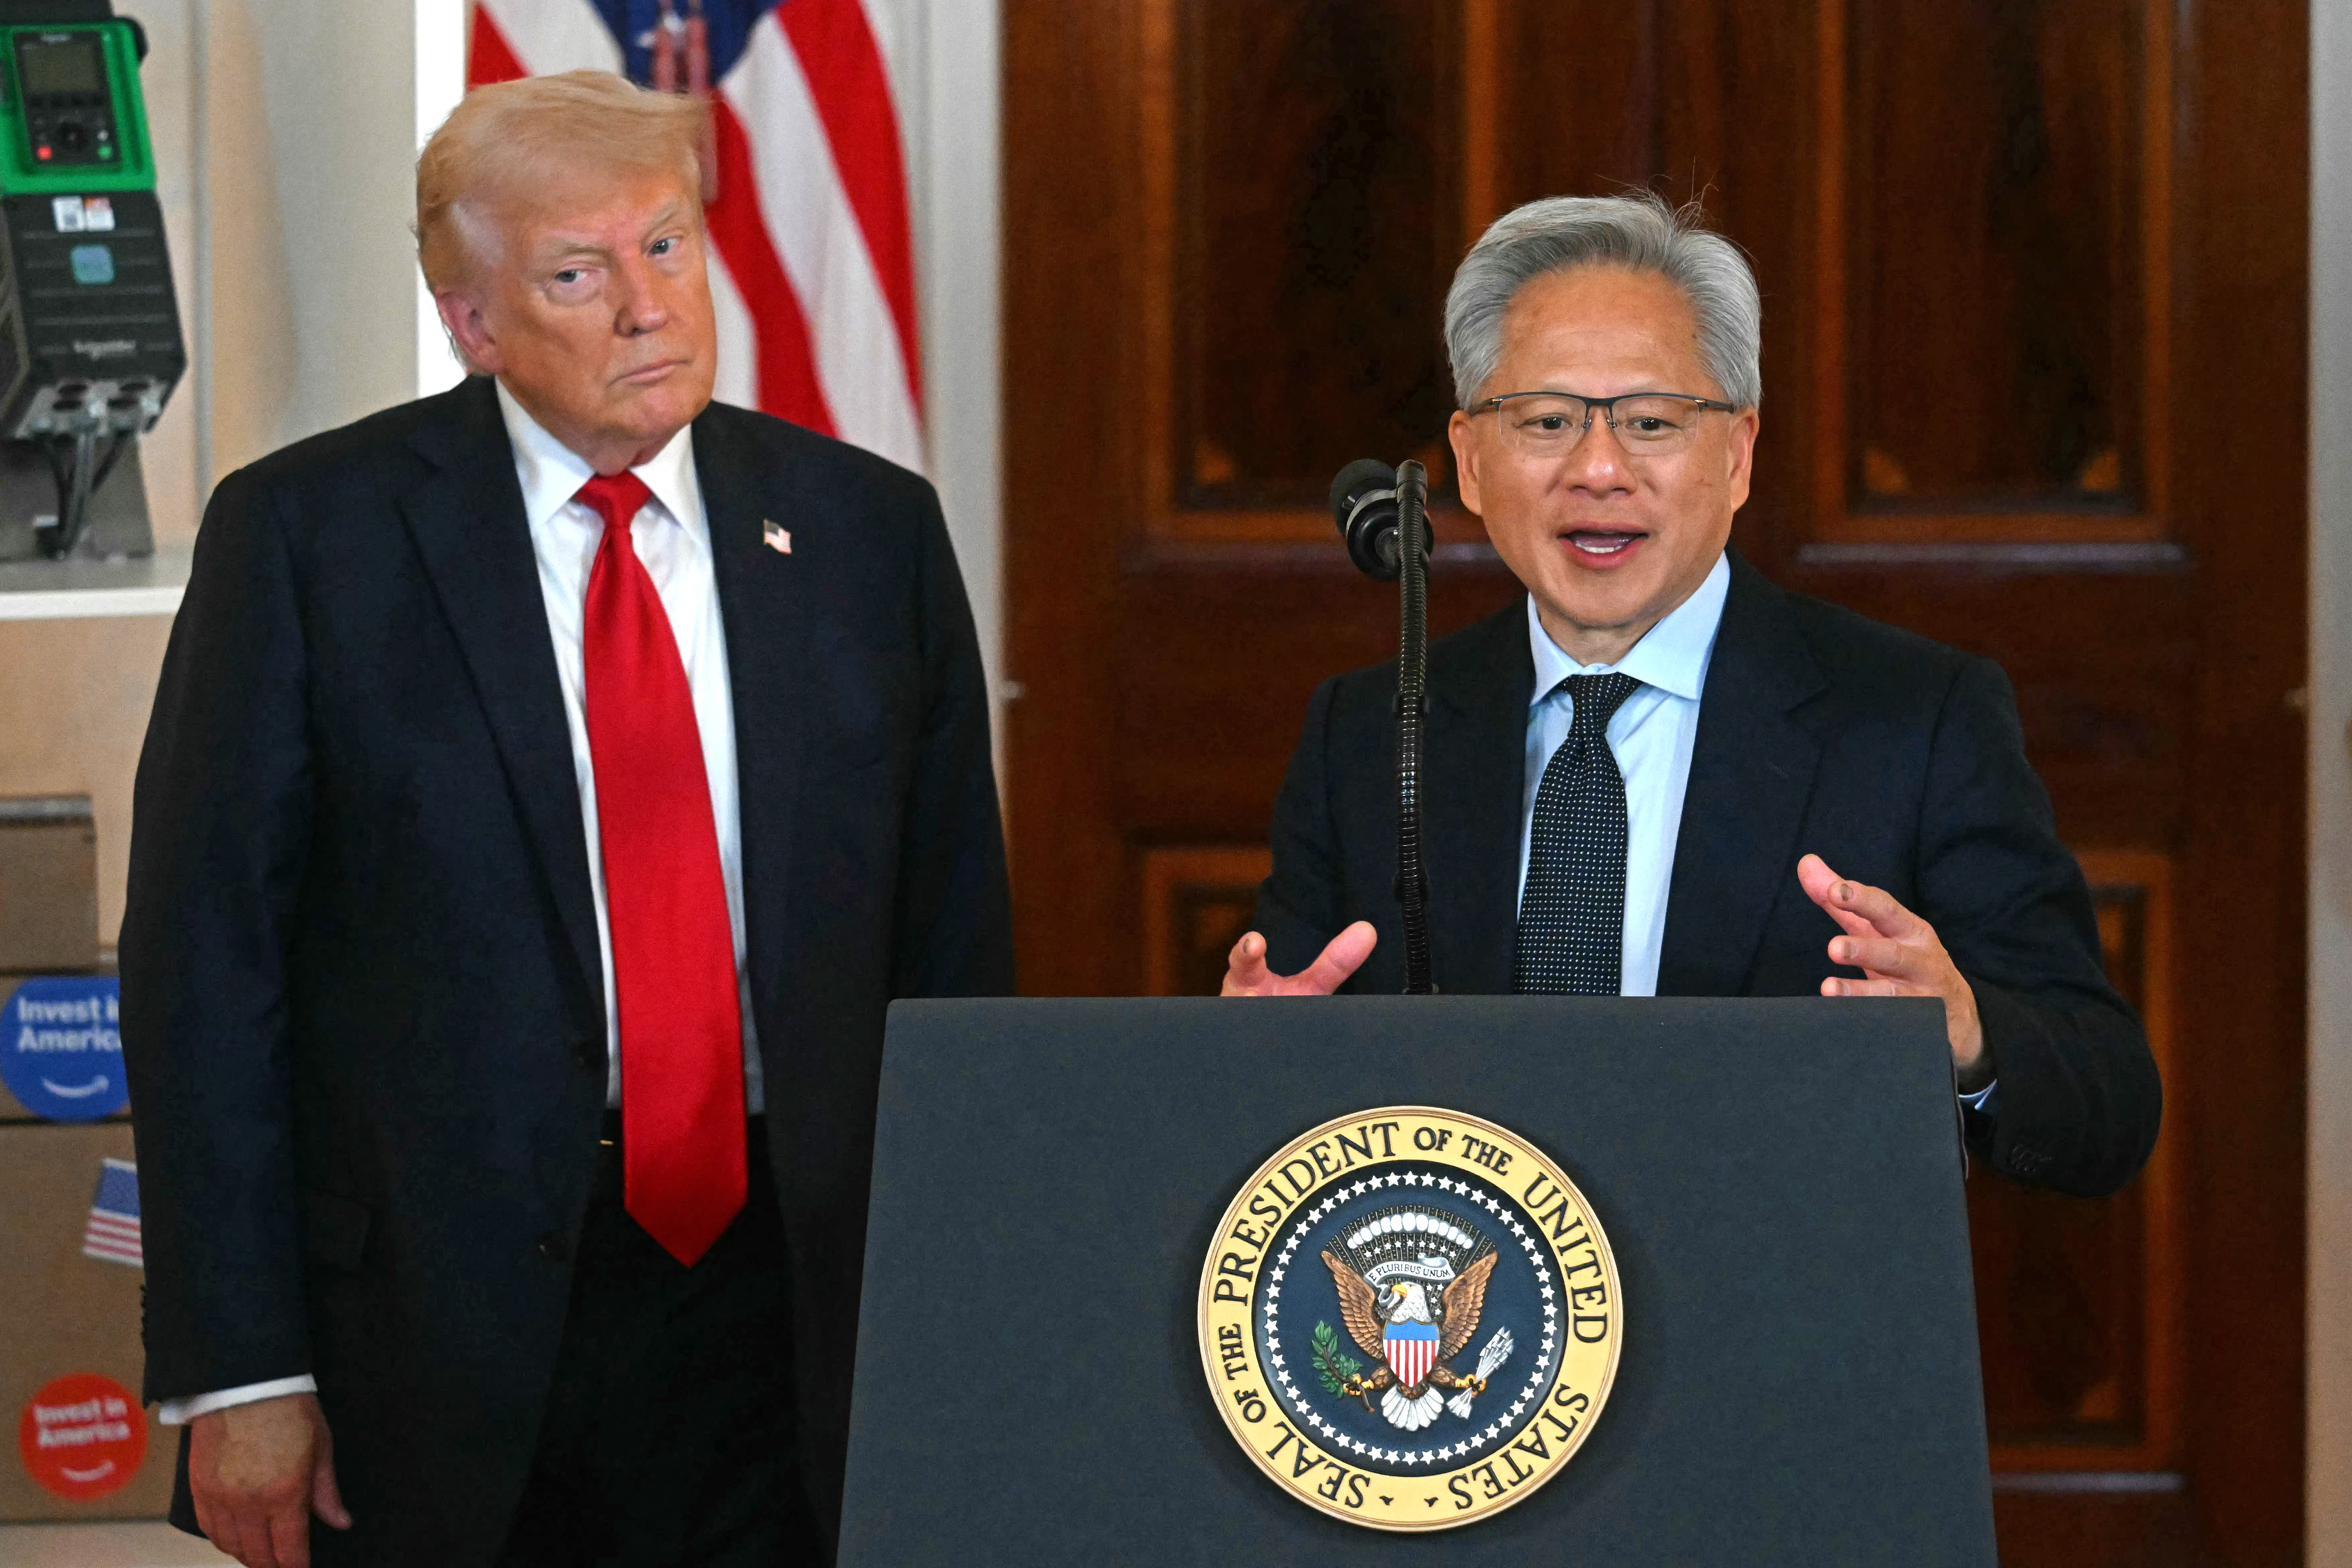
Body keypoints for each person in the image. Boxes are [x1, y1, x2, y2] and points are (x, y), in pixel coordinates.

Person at [119, 70, 1011, 1568]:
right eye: (579, 275)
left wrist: (969, 1317)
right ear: (473, 322)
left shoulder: (868, 532)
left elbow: (953, 952)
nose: (648, 306)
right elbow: (207, 969)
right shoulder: (308, 540)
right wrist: (245, 1367)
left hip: (789, 1303)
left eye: (667, 247)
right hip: (432, 1331)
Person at [1225, 193, 2158, 1200]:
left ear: (1739, 453)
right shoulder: (1371, 733)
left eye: (1651, 422)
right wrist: (1247, 1063)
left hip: (1773, 1333)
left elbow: (2107, 1105)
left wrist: (1971, 1039)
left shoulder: (1912, 720)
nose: (1598, 470)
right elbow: (1271, 1091)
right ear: (1471, 462)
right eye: (1546, 422)